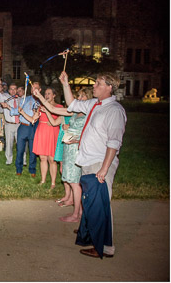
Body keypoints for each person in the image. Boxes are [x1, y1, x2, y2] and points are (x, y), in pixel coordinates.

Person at [65, 71, 127, 259]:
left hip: (100, 163)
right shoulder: (95, 104)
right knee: (91, 203)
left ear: (110, 87)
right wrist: (65, 83)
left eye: (98, 83)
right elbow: (72, 104)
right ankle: (90, 234)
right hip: (88, 161)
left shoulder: (114, 110)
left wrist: (104, 168)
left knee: (100, 205)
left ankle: (106, 247)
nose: (94, 86)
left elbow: (114, 142)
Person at [34, 83, 93, 223]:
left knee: (75, 182)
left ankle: (77, 214)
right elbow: (53, 109)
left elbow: (93, 132)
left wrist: (78, 139)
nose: (78, 98)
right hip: (68, 149)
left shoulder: (90, 113)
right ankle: (77, 210)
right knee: (71, 180)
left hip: (78, 150)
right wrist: (40, 96)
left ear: (89, 98)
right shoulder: (73, 111)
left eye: (82, 96)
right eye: (78, 96)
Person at [22, 87, 62, 188]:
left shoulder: (59, 106)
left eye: (49, 93)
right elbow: (33, 119)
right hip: (41, 131)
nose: (47, 95)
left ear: (54, 95)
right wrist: (22, 112)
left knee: (52, 159)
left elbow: (61, 120)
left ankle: (53, 182)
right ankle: (43, 180)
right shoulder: (41, 107)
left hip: (52, 132)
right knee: (42, 158)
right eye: (46, 94)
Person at [11, 81, 41, 177]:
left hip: (33, 127)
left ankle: (32, 170)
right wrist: (8, 108)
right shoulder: (25, 99)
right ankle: (18, 169)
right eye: (32, 88)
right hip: (23, 126)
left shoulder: (41, 101)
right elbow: (18, 110)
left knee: (33, 150)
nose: (34, 90)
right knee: (20, 149)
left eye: (36, 88)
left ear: (39, 90)